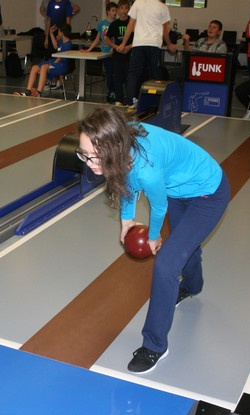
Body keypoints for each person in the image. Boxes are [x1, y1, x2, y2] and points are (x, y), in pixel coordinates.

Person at [77, 106, 230, 374]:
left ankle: (155, 345)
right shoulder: (122, 144)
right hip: (177, 189)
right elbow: (126, 182)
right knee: (185, 249)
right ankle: (193, 285)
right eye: (84, 154)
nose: (89, 163)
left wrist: (153, 236)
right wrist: (127, 219)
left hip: (208, 192)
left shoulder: (146, 167)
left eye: (95, 156)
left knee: (167, 263)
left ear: (115, 147)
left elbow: (158, 207)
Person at [117, 0, 178, 111]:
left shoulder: (138, 3)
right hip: (154, 44)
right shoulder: (162, 7)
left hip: (139, 43)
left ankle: (130, 102)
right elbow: (165, 29)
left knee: (134, 73)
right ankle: (153, 102)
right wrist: (169, 44)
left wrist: (123, 43)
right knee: (153, 73)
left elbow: (130, 25)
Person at [14, 25, 72, 97]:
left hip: (61, 65)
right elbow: (56, 47)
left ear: (62, 32)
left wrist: (50, 65)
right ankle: (27, 91)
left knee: (44, 67)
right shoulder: (61, 41)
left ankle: (39, 92)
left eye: (59, 31)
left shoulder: (68, 44)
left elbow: (60, 58)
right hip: (54, 61)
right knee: (35, 67)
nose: (58, 32)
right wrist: (51, 33)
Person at [84, 2, 118, 104]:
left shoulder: (116, 23)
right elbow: (97, 38)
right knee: (109, 73)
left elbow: (117, 39)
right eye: (113, 10)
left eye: (115, 11)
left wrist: (114, 48)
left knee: (115, 74)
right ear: (108, 11)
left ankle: (114, 92)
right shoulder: (102, 24)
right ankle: (110, 92)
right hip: (105, 53)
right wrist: (89, 49)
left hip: (115, 52)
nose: (115, 13)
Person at [105, 1, 133, 106]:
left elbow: (138, 38)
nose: (124, 11)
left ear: (129, 9)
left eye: (126, 8)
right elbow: (107, 38)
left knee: (129, 79)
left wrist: (128, 47)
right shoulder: (114, 24)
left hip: (130, 56)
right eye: (122, 8)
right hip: (117, 57)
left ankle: (130, 99)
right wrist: (115, 47)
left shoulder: (132, 23)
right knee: (117, 79)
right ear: (118, 10)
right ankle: (119, 99)